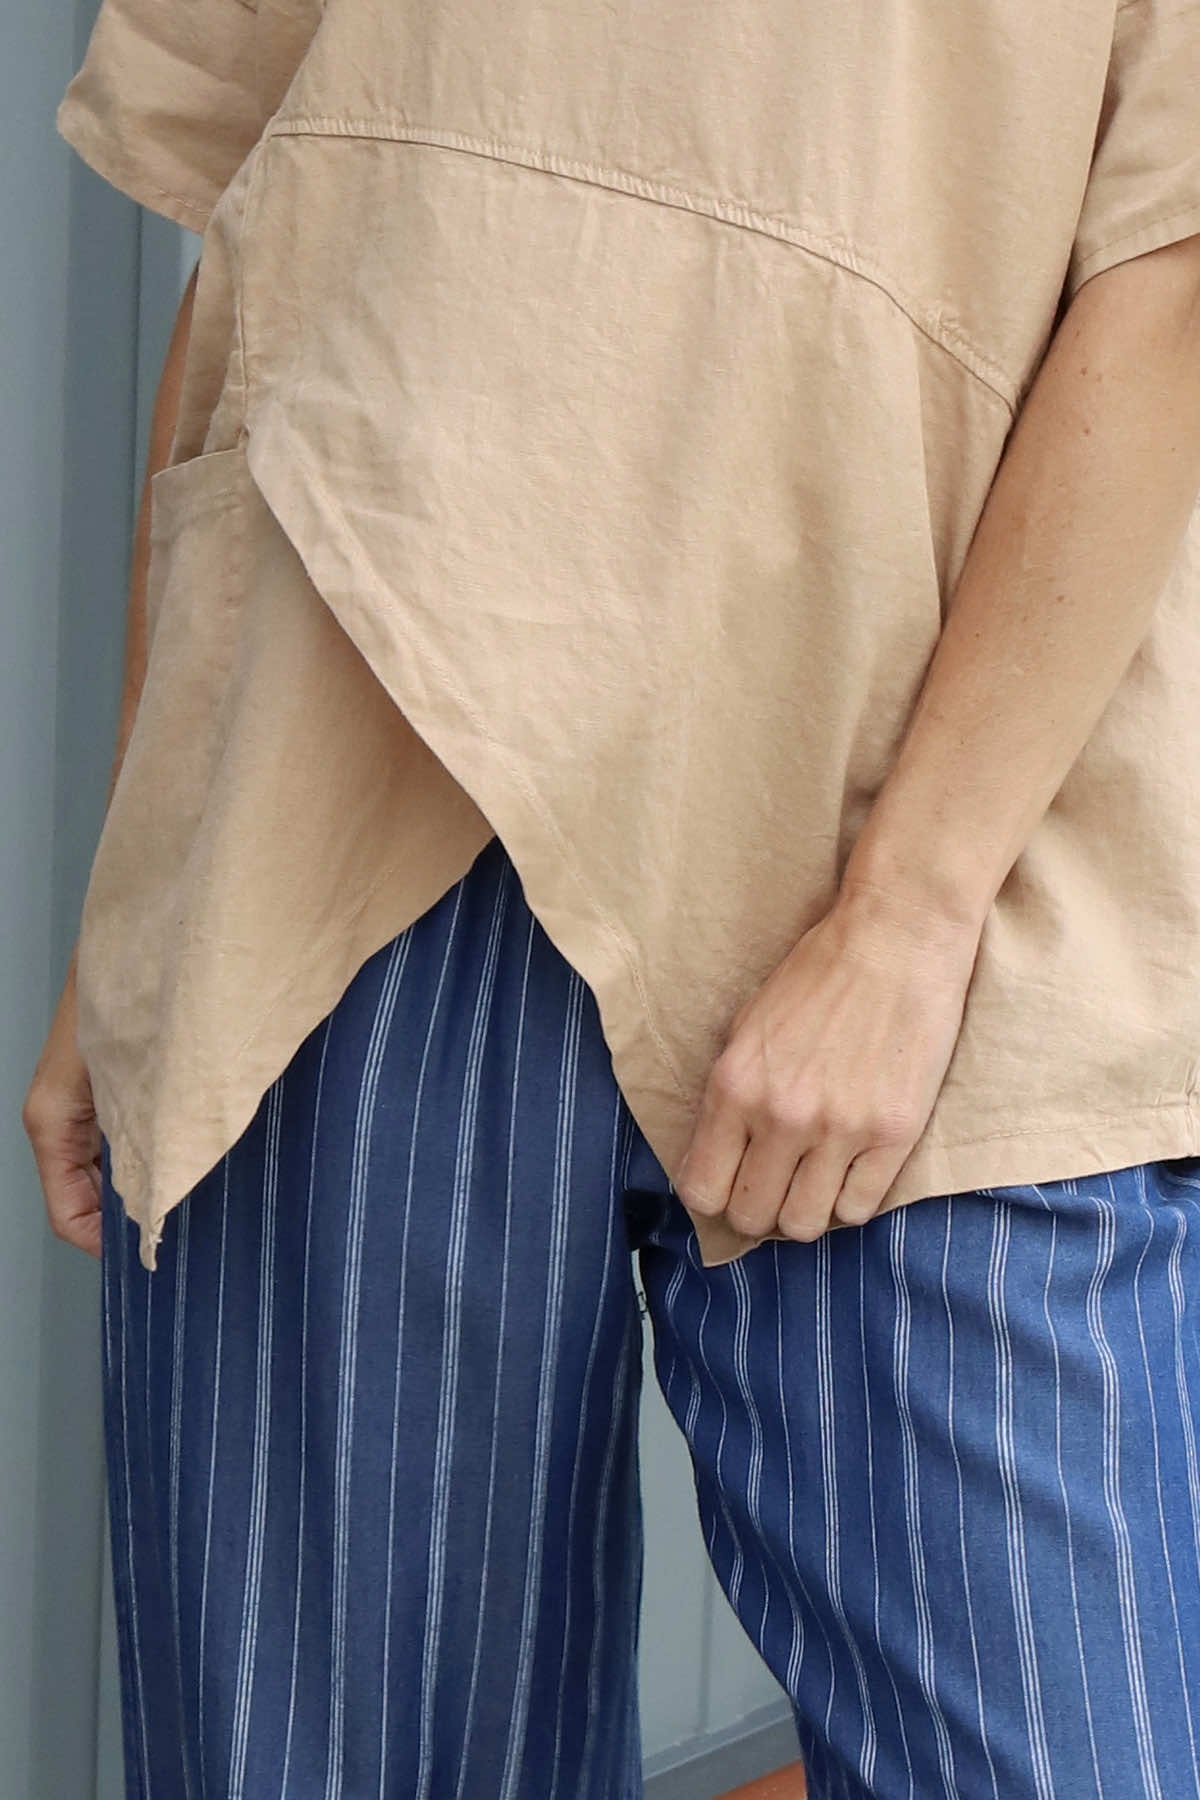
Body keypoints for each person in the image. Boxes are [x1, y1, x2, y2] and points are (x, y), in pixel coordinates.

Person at [23, 0, 1200, 1791]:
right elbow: (257, 211)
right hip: (341, 795)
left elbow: (1171, 266)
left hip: (935, 827)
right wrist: (139, 893)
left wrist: (913, 907)